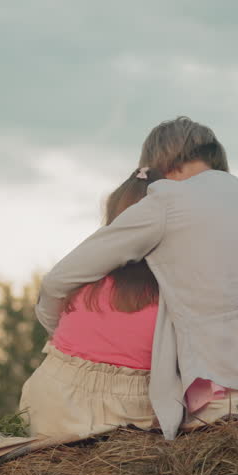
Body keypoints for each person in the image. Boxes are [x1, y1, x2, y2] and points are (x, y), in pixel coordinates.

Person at [36, 117, 238, 439]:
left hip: (236, 393)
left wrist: (58, 332)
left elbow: (59, 279)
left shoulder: (167, 199)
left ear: (159, 164)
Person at [19, 170, 162, 440]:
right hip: (128, 408)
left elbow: (52, 314)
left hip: (51, 396)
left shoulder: (82, 277)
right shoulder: (170, 291)